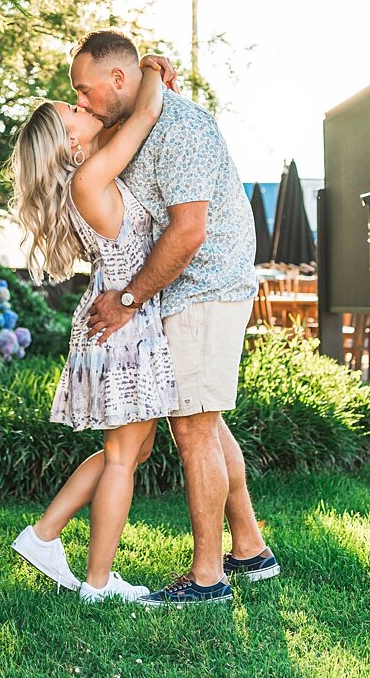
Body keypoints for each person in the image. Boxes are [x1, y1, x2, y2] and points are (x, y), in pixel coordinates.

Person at [73, 30, 277, 606]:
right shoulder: (137, 115)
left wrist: (128, 299)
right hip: (179, 291)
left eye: (85, 92)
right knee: (206, 423)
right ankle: (250, 550)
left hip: (205, 286)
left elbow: (188, 234)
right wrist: (153, 76)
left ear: (118, 78)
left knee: (193, 429)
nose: (83, 104)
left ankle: (207, 578)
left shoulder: (180, 129)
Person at [8, 56, 180, 602]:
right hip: (123, 324)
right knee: (125, 457)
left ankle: (43, 535)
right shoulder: (89, 177)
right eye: (73, 110)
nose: (83, 106)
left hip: (119, 318)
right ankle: (99, 583)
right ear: (66, 143)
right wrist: (151, 65)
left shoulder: (89, 173)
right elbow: (147, 110)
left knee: (129, 450)